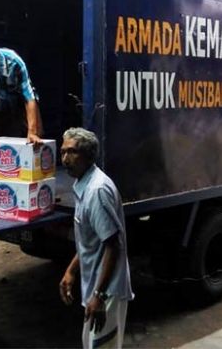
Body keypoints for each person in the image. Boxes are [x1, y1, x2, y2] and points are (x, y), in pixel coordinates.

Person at [59, 127, 134, 349]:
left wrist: (99, 296)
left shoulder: (97, 191)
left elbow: (113, 245)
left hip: (107, 292)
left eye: (72, 152)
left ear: (88, 155)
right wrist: (71, 271)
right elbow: (90, 242)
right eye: (63, 152)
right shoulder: (83, 185)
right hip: (98, 289)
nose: (65, 158)